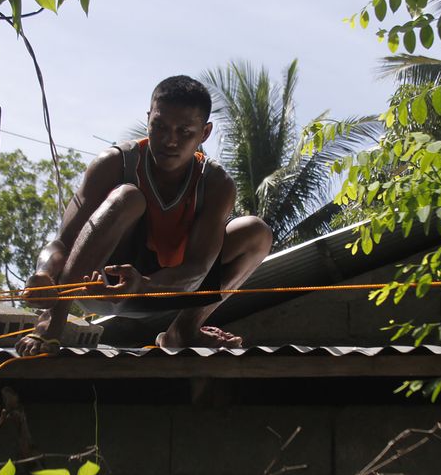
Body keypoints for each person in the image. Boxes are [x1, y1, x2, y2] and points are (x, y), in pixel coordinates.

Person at [16, 75, 272, 355]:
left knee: (256, 232)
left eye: (184, 132)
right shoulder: (114, 163)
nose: (169, 140)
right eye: (159, 127)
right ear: (149, 118)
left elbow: (199, 268)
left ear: (204, 133)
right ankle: (53, 322)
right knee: (128, 196)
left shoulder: (215, 184)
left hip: (166, 292)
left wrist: (145, 284)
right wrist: (44, 273)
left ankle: (183, 331)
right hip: (101, 287)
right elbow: (62, 244)